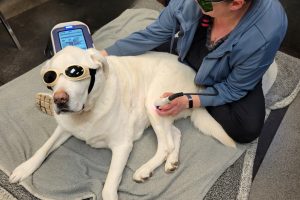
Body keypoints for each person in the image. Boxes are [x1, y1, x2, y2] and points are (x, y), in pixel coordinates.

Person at [37, 0, 287, 143]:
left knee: (247, 128)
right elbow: (156, 32)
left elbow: (234, 88)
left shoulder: (265, 33)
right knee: (131, 52)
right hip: (188, 43)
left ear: (236, 3)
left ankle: (193, 79)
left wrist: (189, 100)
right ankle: (183, 66)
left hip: (228, 70)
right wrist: (102, 56)